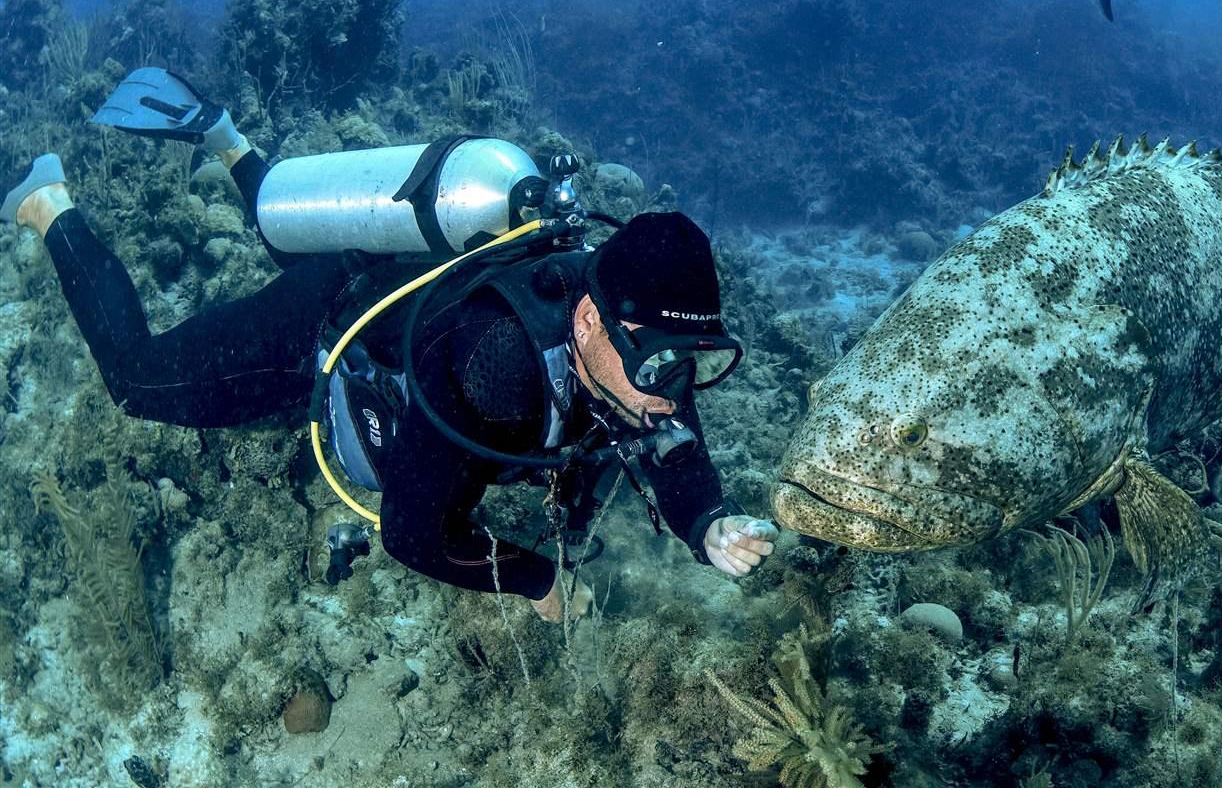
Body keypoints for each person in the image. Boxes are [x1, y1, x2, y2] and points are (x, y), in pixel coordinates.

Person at [3, 69, 775, 622]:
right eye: (656, 363)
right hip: (321, 326)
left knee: (306, 249)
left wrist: (708, 523)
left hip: (394, 284)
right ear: (585, 323)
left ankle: (228, 143)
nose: (669, 389)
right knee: (141, 383)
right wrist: (537, 578)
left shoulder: (640, 353)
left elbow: (672, 440)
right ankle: (47, 200)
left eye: (689, 362)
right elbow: (412, 534)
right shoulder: (497, 369)